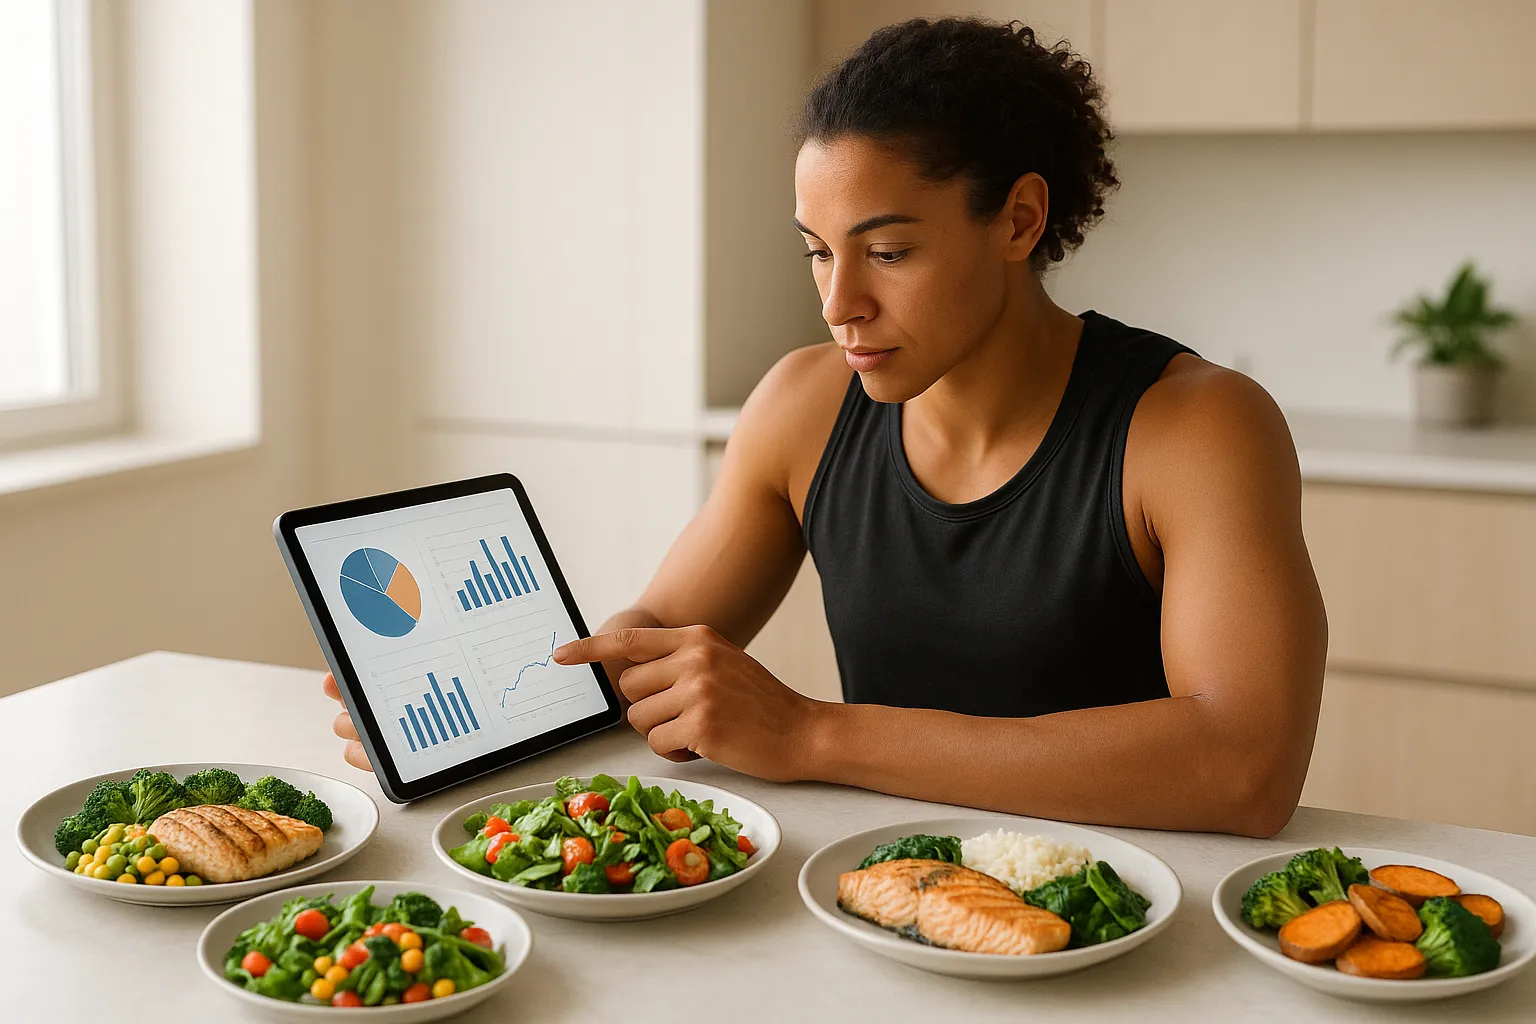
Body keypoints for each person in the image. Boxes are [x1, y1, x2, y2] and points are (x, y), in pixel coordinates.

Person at [324, 17, 1326, 837]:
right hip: (875, 896)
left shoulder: (1194, 426)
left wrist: (812, 734)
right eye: (817, 251)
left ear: (1019, 221)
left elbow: (1242, 767)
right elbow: (651, 650)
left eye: (886, 250)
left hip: (1128, 929)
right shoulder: (802, 408)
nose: (838, 301)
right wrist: (461, 710)